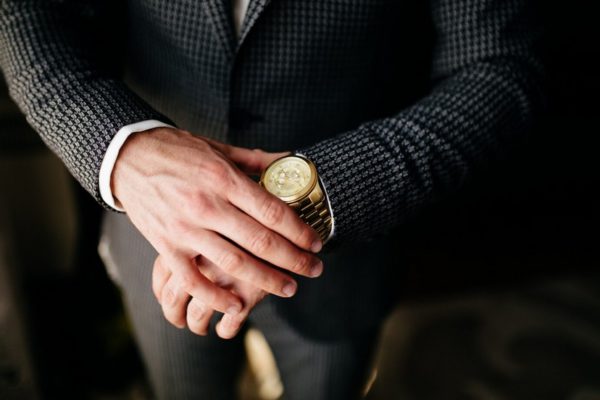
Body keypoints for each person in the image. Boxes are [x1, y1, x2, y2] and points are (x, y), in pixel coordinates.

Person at [0, 0, 543, 398]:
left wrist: (316, 193)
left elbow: (497, 66)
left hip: (349, 245)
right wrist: (121, 150)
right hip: (157, 239)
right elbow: (27, 16)